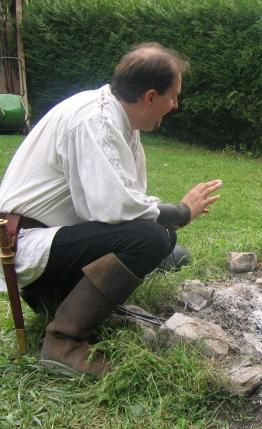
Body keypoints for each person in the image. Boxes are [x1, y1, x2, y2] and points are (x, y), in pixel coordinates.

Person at [0, 42, 222, 377]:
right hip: (25, 246)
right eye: (173, 96)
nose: (175, 105)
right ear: (150, 96)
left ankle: (65, 304)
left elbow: (126, 201)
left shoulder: (117, 121)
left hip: (46, 243)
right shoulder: (94, 120)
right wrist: (181, 212)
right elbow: (114, 208)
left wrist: (169, 223)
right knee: (149, 237)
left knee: (157, 236)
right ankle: (63, 341)